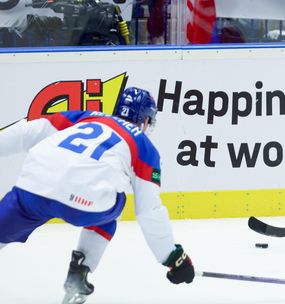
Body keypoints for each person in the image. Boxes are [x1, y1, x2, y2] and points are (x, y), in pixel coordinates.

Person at [0, 87, 195, 303]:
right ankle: (78, 273)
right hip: (84, 205)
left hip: (34, 187)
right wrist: (173, 258)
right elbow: (149, 211)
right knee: (113, 206)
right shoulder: (144, 146)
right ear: (146, 121)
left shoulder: (80, 116)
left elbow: (25, 133)